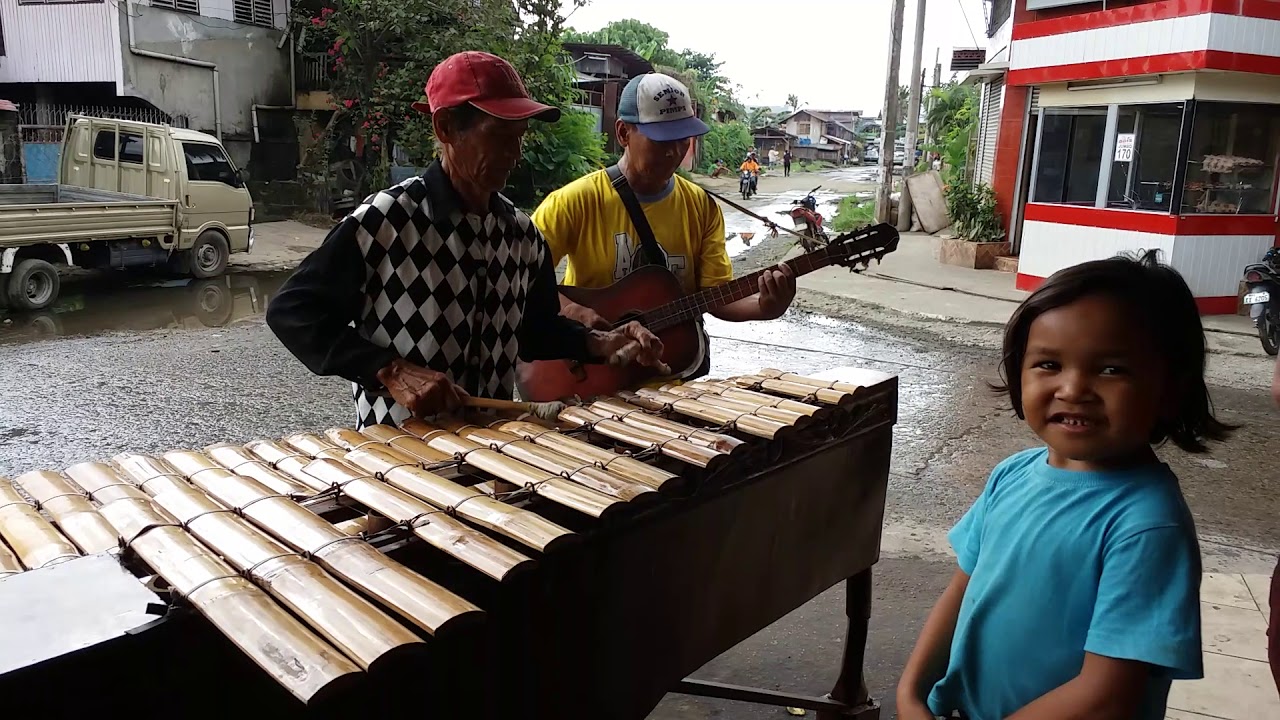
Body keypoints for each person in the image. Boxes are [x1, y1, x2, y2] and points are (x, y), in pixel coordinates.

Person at [897, 249, 1232, 720]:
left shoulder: (1146, 524)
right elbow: (962, 591)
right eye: (1049, 364)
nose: (1073, 389)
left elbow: (1105, 695)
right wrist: (913, 691)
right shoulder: (1011, 475)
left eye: (1111, 369)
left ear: (1170, 388)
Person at [266, 51, 665, 428]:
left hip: (488, 449)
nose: (515, 152)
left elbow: (535, 332)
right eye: (500, 135)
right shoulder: (385, 221)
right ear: (446, 129)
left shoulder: (523, 236)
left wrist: (601, 343)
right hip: (395, 453)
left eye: (520, 136)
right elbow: (292, 311)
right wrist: (390, 370)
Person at [531, 72, 795, 385]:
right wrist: (574, 311)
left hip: (670, 384)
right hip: (589, 379)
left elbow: (712, 295)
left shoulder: (701, 207)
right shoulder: (573, 202)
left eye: (683, 139)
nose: (674, 152)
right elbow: (519, 281)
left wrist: (764, 307)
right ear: (623, 133)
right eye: (661, 141)